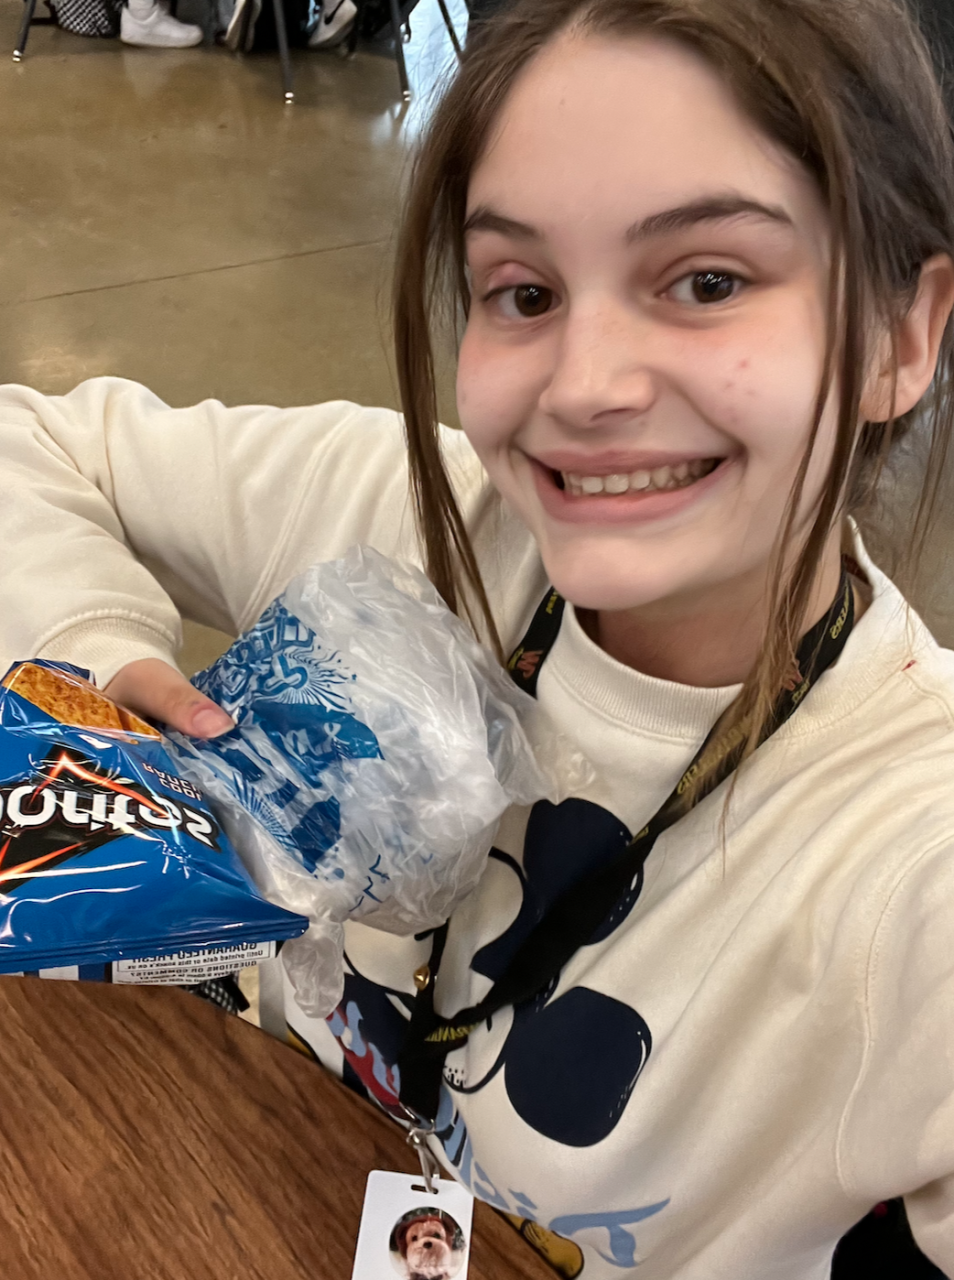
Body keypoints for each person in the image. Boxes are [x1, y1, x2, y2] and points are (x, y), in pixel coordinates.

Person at [0, 0, 953, 1276]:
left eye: (709, 281)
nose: (585, 385)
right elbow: (31, 439)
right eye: (526, 291)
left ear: (899, 333)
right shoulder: (403, 517)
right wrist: (103, 658)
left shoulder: (912, 857)